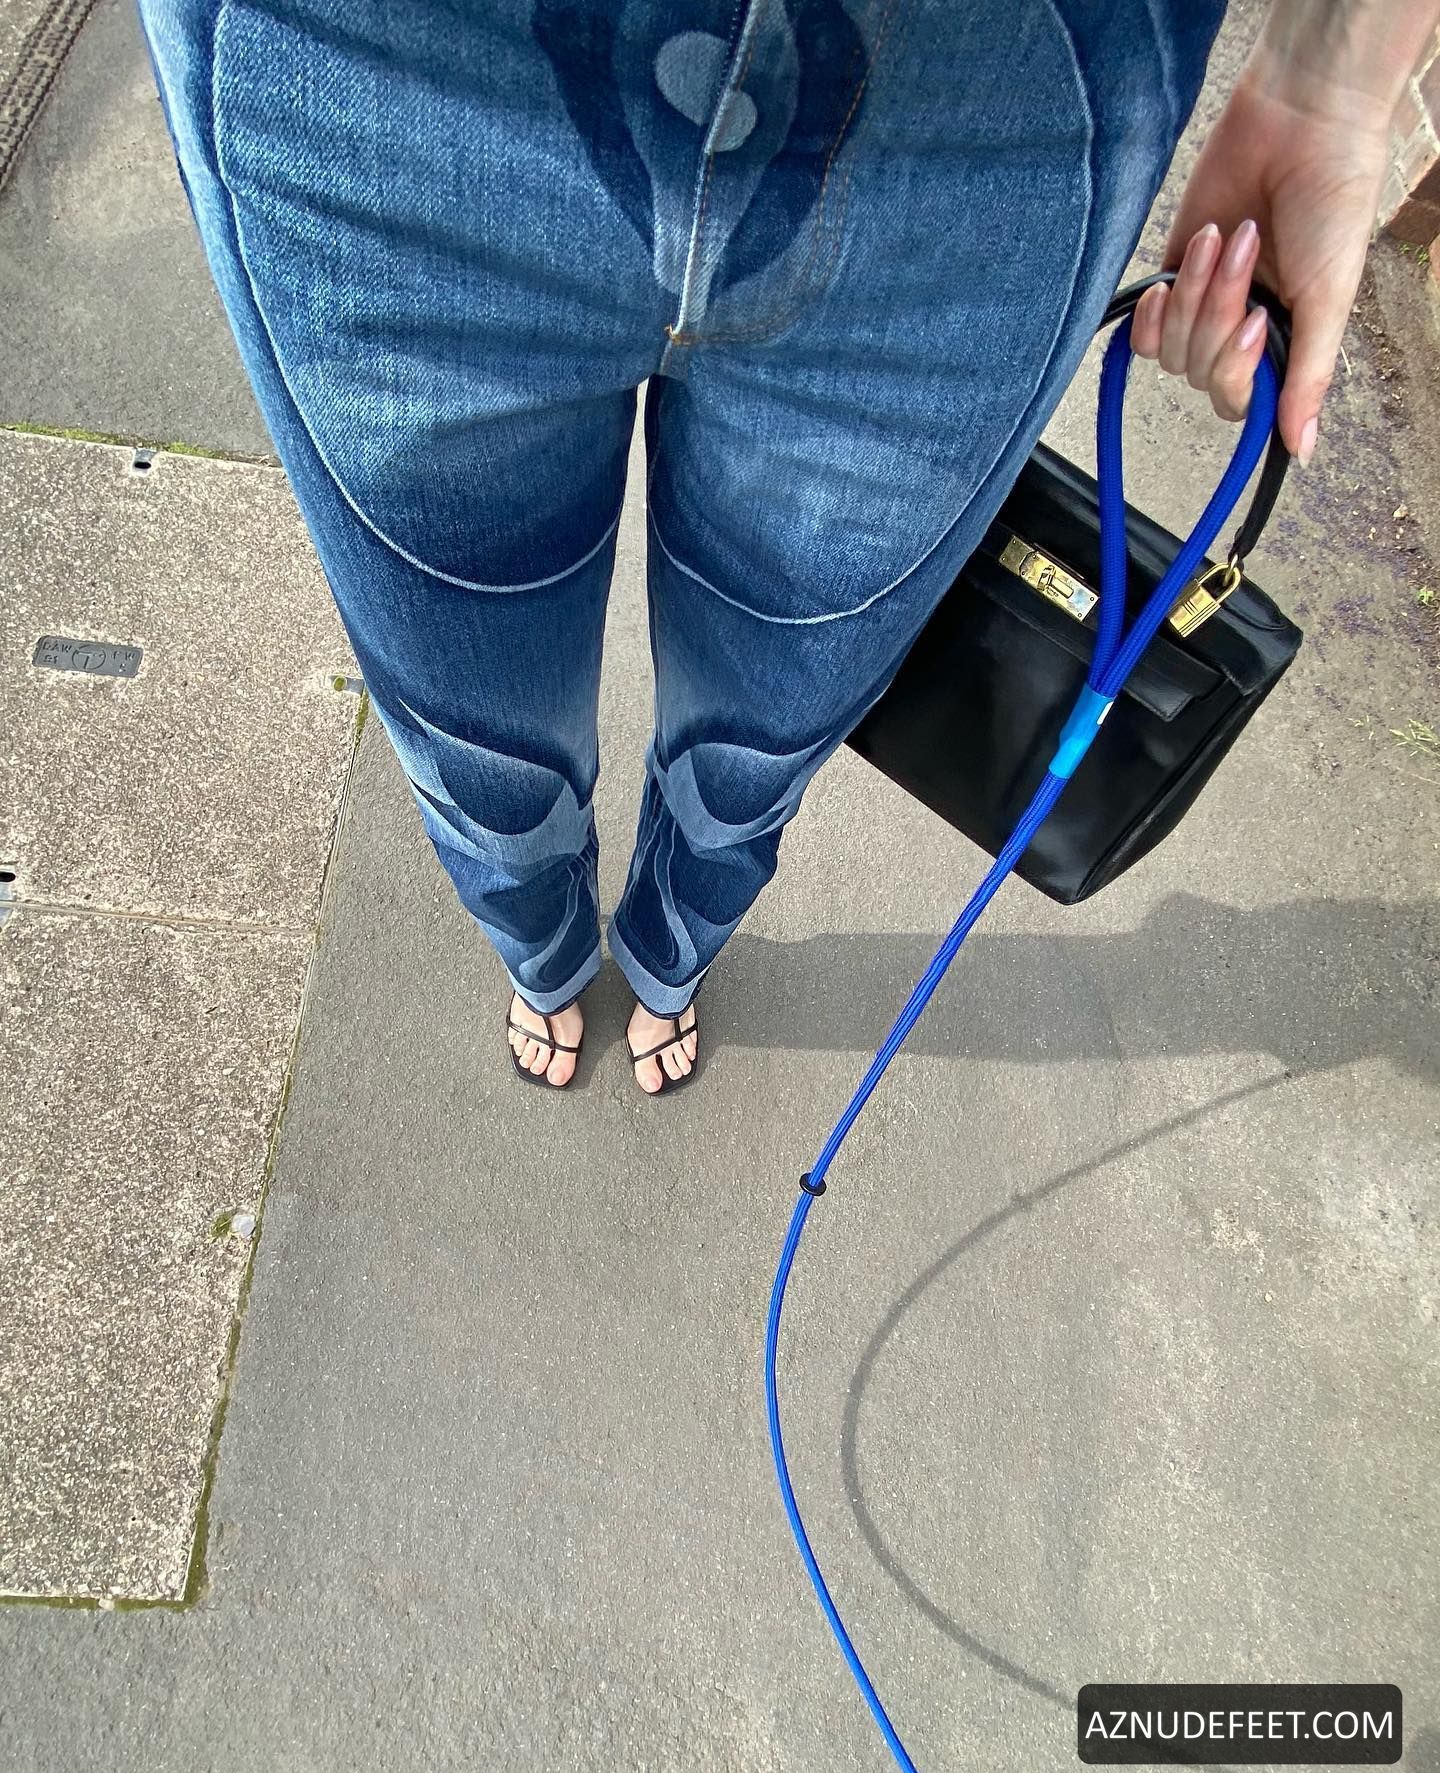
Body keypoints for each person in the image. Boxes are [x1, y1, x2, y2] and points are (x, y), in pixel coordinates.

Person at [139, 0, 1437, 1093]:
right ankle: (543, 953)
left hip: (992, 110)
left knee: (758, 741)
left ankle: (665, 955)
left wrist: (1336, 69)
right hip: (377, 76)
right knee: (479, 740)